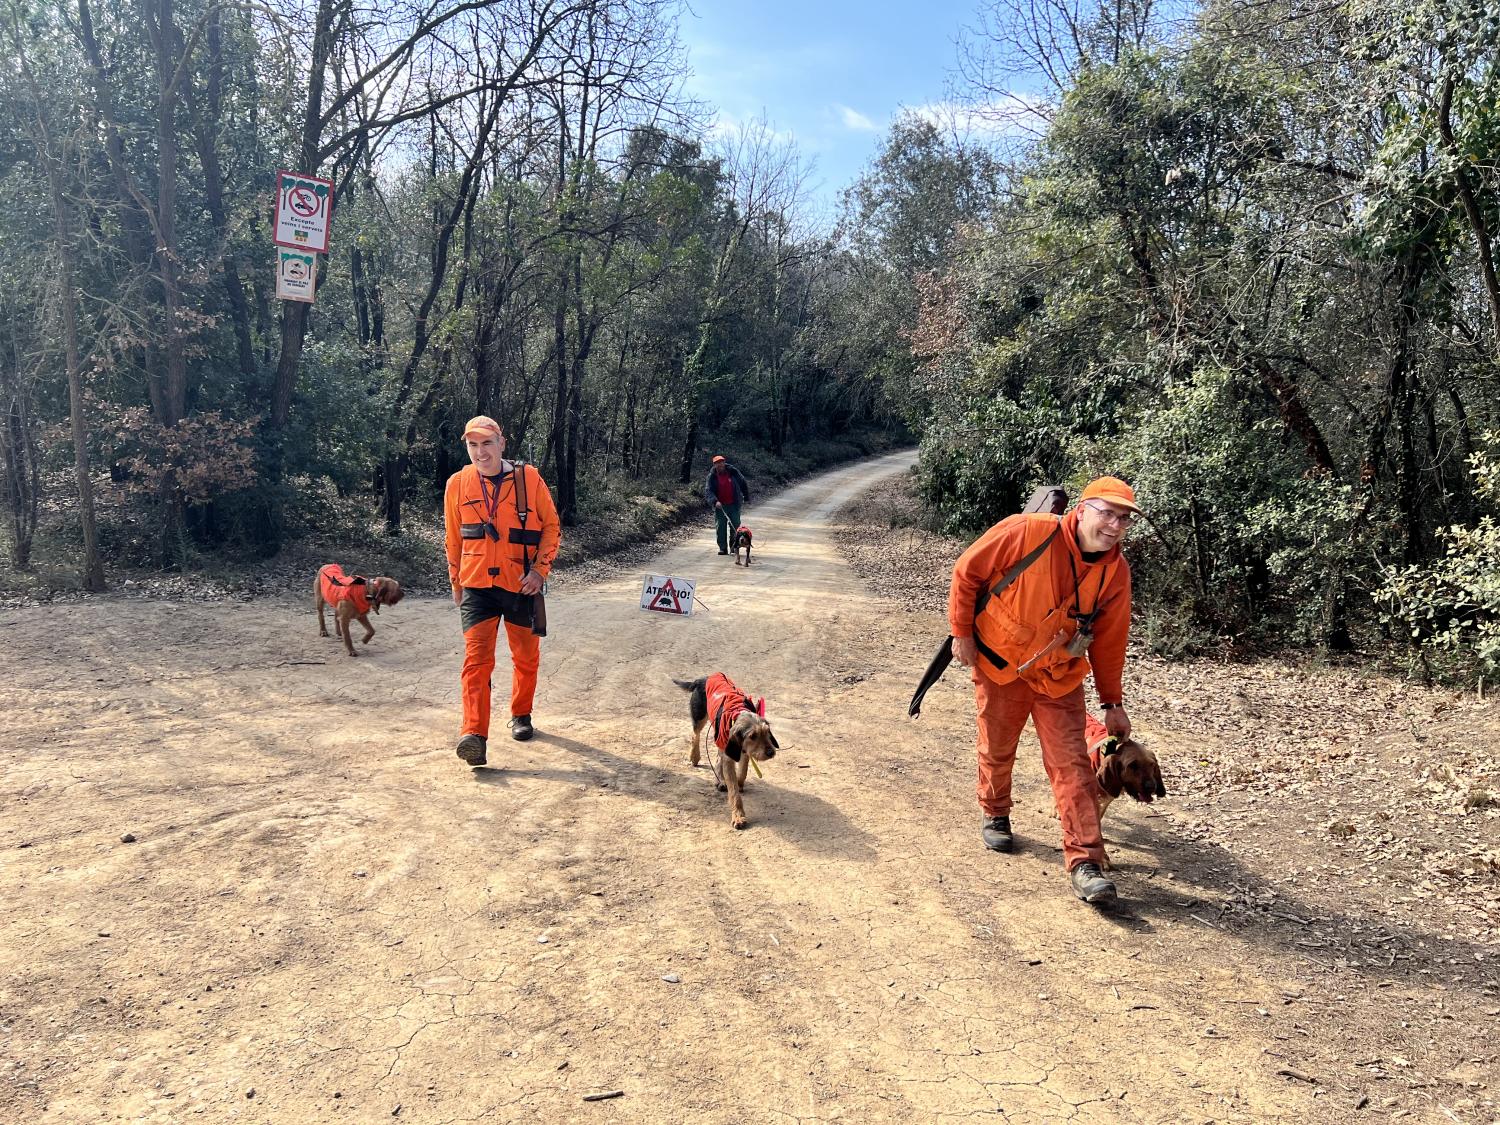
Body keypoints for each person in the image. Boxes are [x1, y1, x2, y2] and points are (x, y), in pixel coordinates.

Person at [947, 476, 1139, 906]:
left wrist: (1112, 703)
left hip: (1059, 676)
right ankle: (995, 811)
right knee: (997, 747)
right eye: (1106, 513)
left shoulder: (1115, 573)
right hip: (1001, 667)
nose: (1114, 525)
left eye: (1123, 518)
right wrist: (962, 633)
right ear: (1082, 510)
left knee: (1073, 765)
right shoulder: (1028, 531)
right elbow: (967, 572)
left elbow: (1110, 640)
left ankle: (1085, 862)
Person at [444, 416, 561, 766]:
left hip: (520, 586)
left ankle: (521, 714)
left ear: (502, 443)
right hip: (476, 586)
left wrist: (540, 572)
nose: (481, 452)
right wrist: (456, 582)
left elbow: (552, 527)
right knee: (476, 662)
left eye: (487, 444)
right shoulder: (457, 483)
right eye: (473, 445)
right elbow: (452, 538)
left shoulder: (528, 478)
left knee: (525, 658)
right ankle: (473, 735)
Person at [703, 455, 751, 556]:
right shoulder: (711, 477)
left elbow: (743, 483)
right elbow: (708, 491)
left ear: (724, 462)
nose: (720, 464)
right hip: (720, 506)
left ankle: (733, 546)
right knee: (720, 527)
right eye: (717, 463)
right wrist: (715, 501)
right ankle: (722, 548)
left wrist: (746, 497)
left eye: (721, 462)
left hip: (734, 504)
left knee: (735, 525)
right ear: (714, 465)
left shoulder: (733, 472)